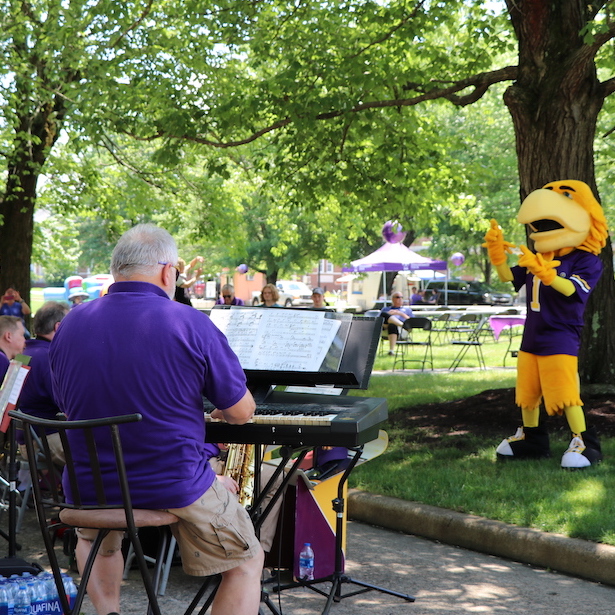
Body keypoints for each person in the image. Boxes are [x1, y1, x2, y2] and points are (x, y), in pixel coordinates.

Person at [49, 224, 263, 615]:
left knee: (96, 537)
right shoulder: (190, 322)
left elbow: (68, 403)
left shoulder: (70, 325)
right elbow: (241, 413)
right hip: (172, 486)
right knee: (247, 561)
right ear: (168, 273)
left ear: (117, 270)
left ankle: (109, 613)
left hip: (89, 490)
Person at [484, 180, 608, 469]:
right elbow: (507, 277)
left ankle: (584, 442)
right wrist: (497, 253)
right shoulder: (540, 257)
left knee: (565, 392)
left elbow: (572, 291)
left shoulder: (587, 261)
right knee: (527, 392)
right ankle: (532, 438)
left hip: (561, 336)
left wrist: (546, 274)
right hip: (533, 335)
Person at [16, 301, 69, 466]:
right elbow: (66, 405)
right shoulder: (49, 358)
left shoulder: (22, 355)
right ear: (58, 327)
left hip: (24, 440)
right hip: (45, 440)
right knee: (105, 451)